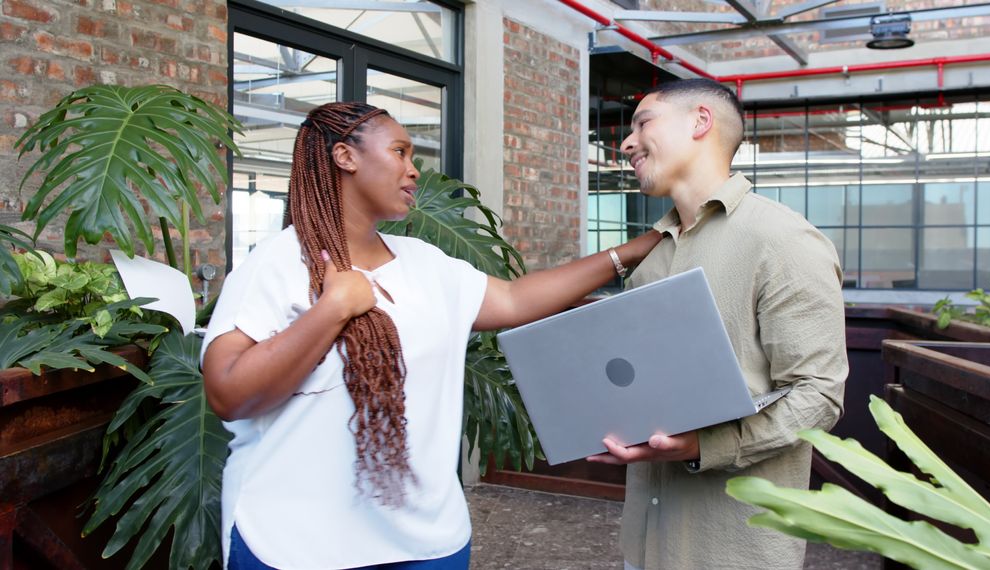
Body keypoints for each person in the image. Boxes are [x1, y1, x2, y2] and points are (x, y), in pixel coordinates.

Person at [200, 101, 661, 570]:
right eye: (399, 152)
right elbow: (228, 392)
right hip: (296, 544)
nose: (412, 170)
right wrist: (332, 310)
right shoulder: (277, 264)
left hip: (427, 544)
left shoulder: (422, 262)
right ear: (346, 157)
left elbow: (516, 300)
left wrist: (644, 245)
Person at [586, 79, 849, 569]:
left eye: (642, 122)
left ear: (700, 122)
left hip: (734, 550)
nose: (625, 142)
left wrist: (706, 445)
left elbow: (818, 396)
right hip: (644, 542)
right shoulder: (649, 258)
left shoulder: (783, 241)